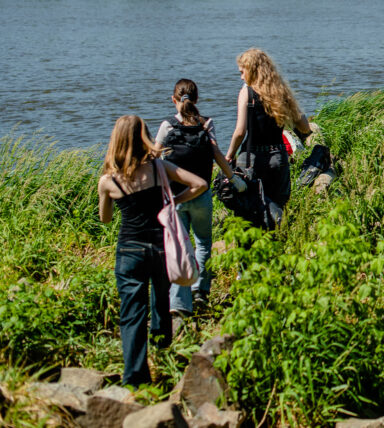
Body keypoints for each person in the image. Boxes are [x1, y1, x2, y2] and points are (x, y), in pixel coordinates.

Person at [98, 115, 207, 386]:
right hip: (160, 248)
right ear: (144, 136)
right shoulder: (159, 168)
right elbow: (200, 184)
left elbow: (106, 219)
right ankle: (163, 355)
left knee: (132, 313)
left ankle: (136, 378)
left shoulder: (108, 181)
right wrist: (173, 201)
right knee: (161, 302)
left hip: (129, 250)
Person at [154, 79, 245, 318]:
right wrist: (234, 179)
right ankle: (200, 292)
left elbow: (154, 157)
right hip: (202, 194)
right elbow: (216, 154)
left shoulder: (167, 125)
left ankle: (179, 302)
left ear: (173, 100)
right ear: (196, 100)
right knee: (203, 243)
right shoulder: (207, 124)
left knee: (179, 247)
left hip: (176, 197)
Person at [226, 48, 312, 209]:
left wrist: (229, 155)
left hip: (251, 158)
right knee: (279, 209)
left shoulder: (247, 92)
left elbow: (240, 132)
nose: (241, 77)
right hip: (277, 157)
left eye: (242, 72)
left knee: (249, 209)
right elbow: (304, 126)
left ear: (251, 70)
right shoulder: (281, 92)